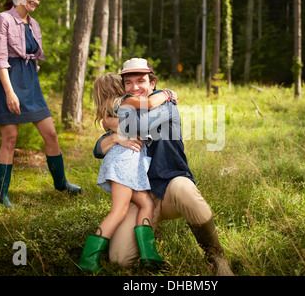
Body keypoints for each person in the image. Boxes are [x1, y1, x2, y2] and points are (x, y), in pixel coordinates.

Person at [93, 58, 234, 276]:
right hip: (140, 197)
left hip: (170, 189)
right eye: (128, 83)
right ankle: (148, 237)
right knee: (120, 259)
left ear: (152, 84)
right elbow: (98, 149)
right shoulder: (125, 109)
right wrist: (116, 138)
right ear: (123, 88)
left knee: (184, 188)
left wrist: (111, 124)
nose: (135, 87)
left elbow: (140, 126)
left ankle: (216, 257)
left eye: (141, 81)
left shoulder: (167, 107)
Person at [0, 0, 81, 208]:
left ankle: (61, 183)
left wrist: (32, 82)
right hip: (8, 81)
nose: (36, 1)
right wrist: (10, 93)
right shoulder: (3, 19)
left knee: (50, 133)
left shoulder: (34, 24)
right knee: (10, 139)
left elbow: (33, 57)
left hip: (30, 82)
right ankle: (1, 197)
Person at [79, 73, 178, 273]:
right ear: (119, 87)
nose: (131, 87)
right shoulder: (124, 102)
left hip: (126, 165)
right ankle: (87, 260)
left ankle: (149, 254)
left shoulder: (111, 109)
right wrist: (168, 94)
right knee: (119, 211)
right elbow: (149, 103)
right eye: (125, 83)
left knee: (146, 203)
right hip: (124, 163)